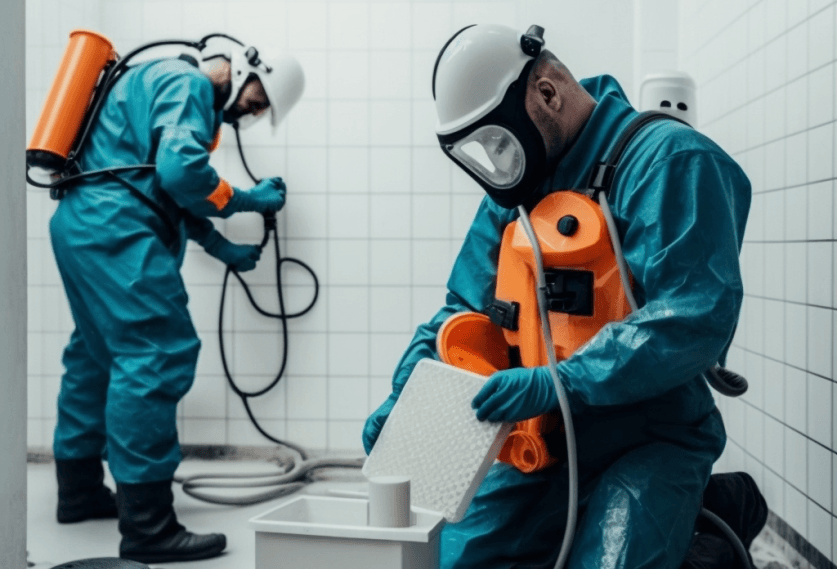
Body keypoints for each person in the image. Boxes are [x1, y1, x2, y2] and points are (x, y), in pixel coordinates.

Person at [363, 24, 751, 569]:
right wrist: (409, 395)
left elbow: (695, 317)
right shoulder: (518, 190)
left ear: (547, 93)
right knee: (454, 560)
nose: (495, 164)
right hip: (541, 439)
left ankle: (708, 538)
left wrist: (560, 382)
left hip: (650, 436)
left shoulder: (671, 161)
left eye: (498, 141)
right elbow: (466, 309)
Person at [50, 39, 303, 563]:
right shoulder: (187, 83)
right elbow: (180, 175)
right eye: (257, 102)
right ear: (248, 69)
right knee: (155, 355)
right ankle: (149, 528)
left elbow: (154, 186)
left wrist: (220, 247)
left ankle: (77, 493)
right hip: (115, 231)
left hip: (84, 224)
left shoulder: (156, 80)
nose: (249, 115)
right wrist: (249, 200)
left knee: (94, 360)